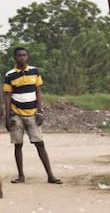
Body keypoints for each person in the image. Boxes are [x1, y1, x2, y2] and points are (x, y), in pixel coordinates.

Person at [3, 47, 62, 184]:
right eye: (19, 55)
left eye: (24, 55)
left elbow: (38, 92)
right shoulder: (9, 75)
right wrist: (7, 118)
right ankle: (21, 176)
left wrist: (40, 111)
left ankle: (50, 176)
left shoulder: (34, 71)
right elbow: (7, 97)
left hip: (32, 114)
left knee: (40, 144)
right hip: (16, 114)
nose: (22, 57)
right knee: (18, 145)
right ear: (15, 57)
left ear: (27, 57)